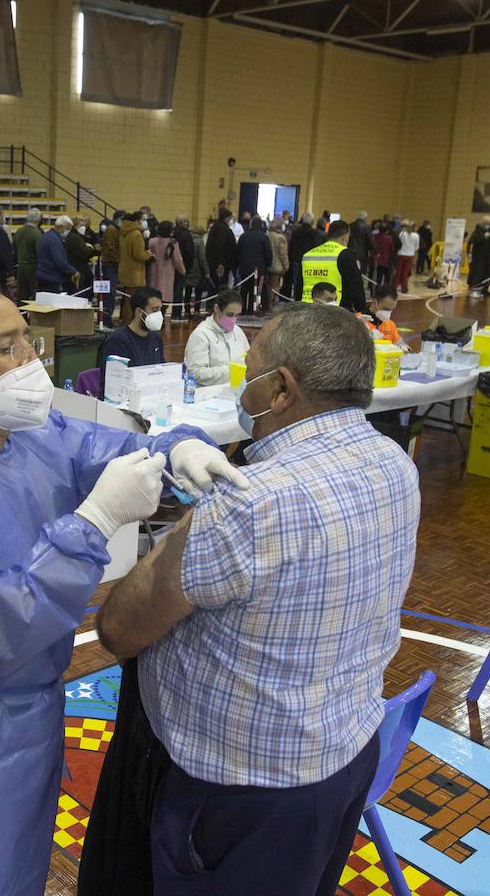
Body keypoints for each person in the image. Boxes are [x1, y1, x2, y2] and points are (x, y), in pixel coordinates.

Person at [0, 283, 242, 896]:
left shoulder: (31, 432)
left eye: (26, 338)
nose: (30, 361)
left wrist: (175, 445)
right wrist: (93, 525)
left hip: (28, 715)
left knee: (14, 874)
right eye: (6, 348)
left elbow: (108, 447)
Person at [87, 303, 419, 896]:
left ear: (283, 388)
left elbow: (119, 628)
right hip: (342, 758)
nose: (246, 381)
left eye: (253, 371)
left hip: (238, 795)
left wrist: (171, 533)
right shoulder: (395, 461)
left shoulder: (248, 503)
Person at [98, 286, 165, 395]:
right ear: (139, 312)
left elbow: (161, 372)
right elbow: (116, 385)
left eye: (160, 309)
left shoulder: (156, 337)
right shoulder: (117, 341)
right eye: (154, 310)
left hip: (150, 396)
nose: (159, 315)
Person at [184, 288, 250, 386]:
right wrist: (231, 371)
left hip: (235, 390)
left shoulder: (238, 331)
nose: (233, 319)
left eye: (237, 315)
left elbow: (249, 359)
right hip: (208, 394)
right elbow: (195, 373)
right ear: (217, 309)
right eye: (230, 314)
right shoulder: (201, 335)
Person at [302, 220, 365, 312]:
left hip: (307, 308)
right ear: (345, 237)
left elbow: (300, 285)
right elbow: (355, 285)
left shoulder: (308, 255)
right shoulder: (345, 254)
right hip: (335, 310)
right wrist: (361, 310)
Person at [235, 218, 271, 314]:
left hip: (245, 267)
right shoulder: (264, 237)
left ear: (251, 225)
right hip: (259, 268)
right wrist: (268, 264)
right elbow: (268, 254)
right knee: (257, 290)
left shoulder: (243, 236)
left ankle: (242, 309)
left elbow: (237, 251)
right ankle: (254, 308)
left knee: (244, 289)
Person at [37, 215, 79, 293]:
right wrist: (73, 271)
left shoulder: (47, 235)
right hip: (50, 276)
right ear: (61, 226)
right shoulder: (54, 239)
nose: (68, 231)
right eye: (67, 229)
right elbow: (59, 260)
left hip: (43, 274)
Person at [147, 220, 185, 308]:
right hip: (167, 271)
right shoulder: (173, 243)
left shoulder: (152, 241)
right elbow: (178, 260)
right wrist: (182, 271)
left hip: (153, 271)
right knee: (165, 296)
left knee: (153, 295)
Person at [287, 212, 323, 302]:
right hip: (310, 262)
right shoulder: (315, 233)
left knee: (296, 285)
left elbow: (291, 247)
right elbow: (316, 248)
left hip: (296, 261)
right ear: (312, 222)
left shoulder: (295, 232)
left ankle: (297, 301)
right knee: (309, 283)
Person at [118, 210, 153, 296]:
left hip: (124, 269)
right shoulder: (136, 234)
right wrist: (149, 254)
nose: (143, 222)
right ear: (136, 221)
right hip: (135, 272)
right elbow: (139, 254)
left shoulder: (123, 232)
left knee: (126, 298)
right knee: (133, 300)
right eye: (142, 220)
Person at [206, 208, 238, 297]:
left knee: (215, 286)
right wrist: (221, 263)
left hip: (216, 262)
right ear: (226, 218)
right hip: (220, 264)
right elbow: (219, 246)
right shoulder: (221, 228)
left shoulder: (216, 227)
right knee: (219, 286)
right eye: (230, 218)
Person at [13, 207, 42, 302]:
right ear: (38, 219)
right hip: (33, 267)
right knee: (34, 295)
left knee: (21, 296)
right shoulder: (36, 233)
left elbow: (14, 248)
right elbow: (40, 251)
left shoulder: (19, 231)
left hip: (20, 266)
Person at [65, 215, 97, 298]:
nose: (82, 224)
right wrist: (90, 247)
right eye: (81, 221)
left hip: (78, 267)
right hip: (78, 268)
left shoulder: (76, 236)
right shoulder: (75, 237)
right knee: (80, 292)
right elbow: (83, 252)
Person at [467, 216, 490, 295]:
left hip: (488, 257)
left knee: (487, 274)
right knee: (477, 274)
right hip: (478, 257)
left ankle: (484, 289)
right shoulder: (477, 231)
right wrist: (484, 236)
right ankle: (475, 289)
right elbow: (473, 241)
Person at [186, 223, 210, 318]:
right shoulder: (200, 242)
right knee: (198, 292)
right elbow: (202, 258)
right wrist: (206, 271)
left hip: (188, 268)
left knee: (188, 291)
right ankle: (196, 310)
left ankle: (187, 311)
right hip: (198, 270)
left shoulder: (188, 239)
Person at [266, 216, 288, 314]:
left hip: (267, 264)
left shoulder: (267, 234)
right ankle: (270, 306)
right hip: (277, 266)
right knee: (274, 287)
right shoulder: (281, 237)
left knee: (268, 287)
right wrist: (286, 266)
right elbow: (282, 254)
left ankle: (266, 304)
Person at [395, 221, 420, 293]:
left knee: (398, 272)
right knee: (405, 273)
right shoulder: (416, 235)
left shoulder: (402, 233)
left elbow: (399, 243)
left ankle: (394, 287)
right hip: (410, 256)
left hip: (401, 254)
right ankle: (404, 288)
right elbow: (417, 248)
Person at [350, 211, 374, 280]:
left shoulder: (350, 225)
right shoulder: (366, 227)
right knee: (361, 273)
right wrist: (375, 251)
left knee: (351, 271)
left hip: (351, 251)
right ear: (365, 218)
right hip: (362, 253)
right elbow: (370, 240)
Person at [373, 221, 394, 290]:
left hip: (377, 259)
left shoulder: (375, 236)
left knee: (377, 278)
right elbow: (391, 249)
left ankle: (376, 292)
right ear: (387, 230)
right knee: (387, 278)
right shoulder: (389, 238)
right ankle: (386, 292)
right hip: (386, 260)